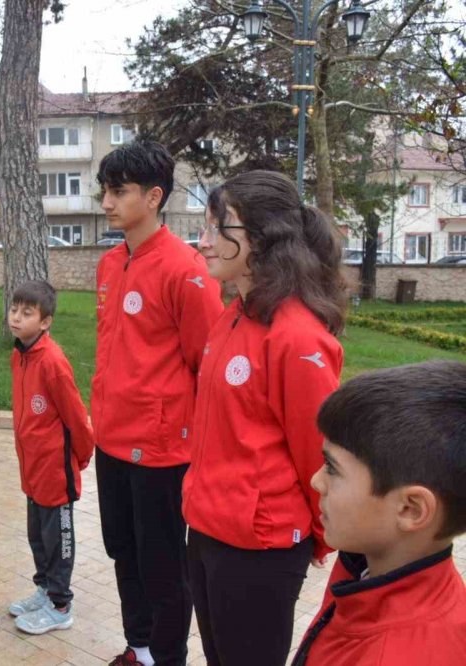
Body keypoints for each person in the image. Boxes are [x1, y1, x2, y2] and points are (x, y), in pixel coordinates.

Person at [181, 170, 348, 666]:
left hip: (259, 546)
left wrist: (319, 534)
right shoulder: (231, 316)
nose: (203, 241)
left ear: (261, 236)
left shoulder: (297, 337)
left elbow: (316, 454)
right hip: (207, 529)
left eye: (217, 227)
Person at [92, 141, 224, 666]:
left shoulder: (186, 270)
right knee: (123, 551)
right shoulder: (109, 263)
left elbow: (205, 364)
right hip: (111, 440)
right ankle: (140, 648)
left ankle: (168, 657)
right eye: (104, 190)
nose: (106, 202)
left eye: (118, 191)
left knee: (164, 566)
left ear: (153, 196)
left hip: (163, 451)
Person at [292, 361, 466, 665]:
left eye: (332, 468)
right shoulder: (367, 566)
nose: (316, 481)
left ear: (410, 509)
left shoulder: (394, 654)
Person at [5, 280, 95, 635]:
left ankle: (60, 604)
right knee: (37, 537)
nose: (16, 317)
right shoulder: (19, 356)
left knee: (58, 540)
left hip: (56, 474)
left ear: (45, 322)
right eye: (14, 309)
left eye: (27, 313)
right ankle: (44, 589)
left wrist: (81, 459)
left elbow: (76, 417)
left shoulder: (53, 363)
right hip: (33, 471)